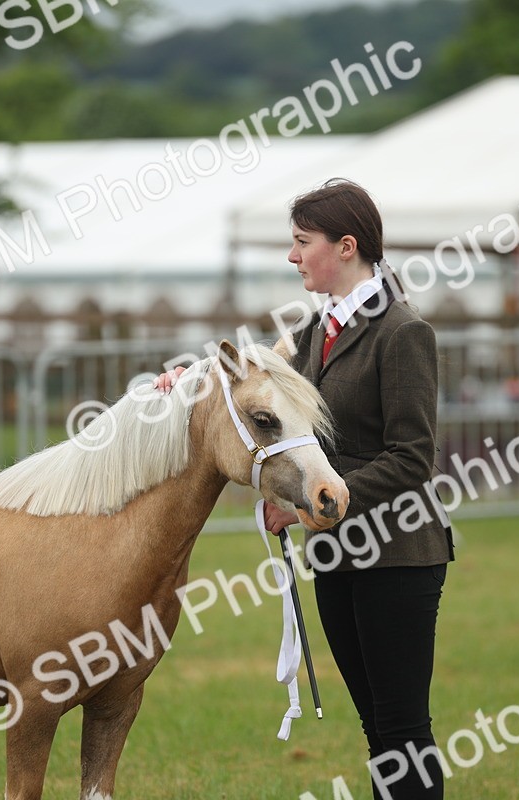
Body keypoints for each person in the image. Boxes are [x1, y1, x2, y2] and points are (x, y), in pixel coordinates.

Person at [155, 178, 453, 799]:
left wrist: (319, 500)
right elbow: (251, 374)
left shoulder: (403, 333)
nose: (292, 257)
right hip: (340, 553)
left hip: (398, 557)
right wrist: (188, 378)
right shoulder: (321, 329)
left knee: (403, 729)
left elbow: (412, 458)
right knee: (378, 732)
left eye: (301, 242)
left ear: (346, 247)